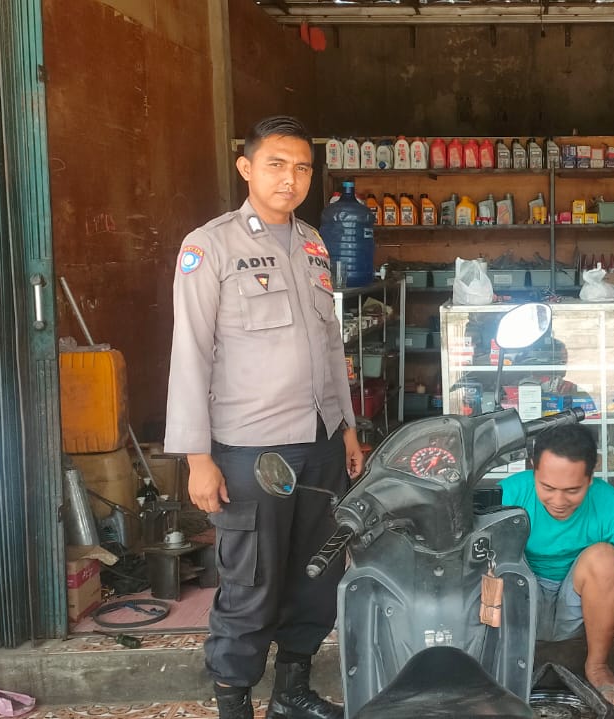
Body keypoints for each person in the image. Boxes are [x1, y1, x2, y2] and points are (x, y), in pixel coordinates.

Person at [166, 115, 362, 719]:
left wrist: (348, 429)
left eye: (302, 167)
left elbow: (331, 346)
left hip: (321, 444)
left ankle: (291, 695)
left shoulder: (313, 243)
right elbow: (190, 354)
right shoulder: (211, 246)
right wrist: (198, 458)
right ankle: (234, 704)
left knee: (315, 579)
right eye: (276, 164)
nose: (290, 178)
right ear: (246, 168)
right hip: (253, 451)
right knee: (250, 586)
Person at [499, 424, 614, 712]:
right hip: (521, 606)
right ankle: (501, 667)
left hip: (577, 610)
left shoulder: (610, 504)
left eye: (572, 490)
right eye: (547, 488)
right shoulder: (509, 493)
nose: (558, 501)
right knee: (493, 558)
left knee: (604, 558)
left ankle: (597, 666)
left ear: (590, 476)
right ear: (533, 468)